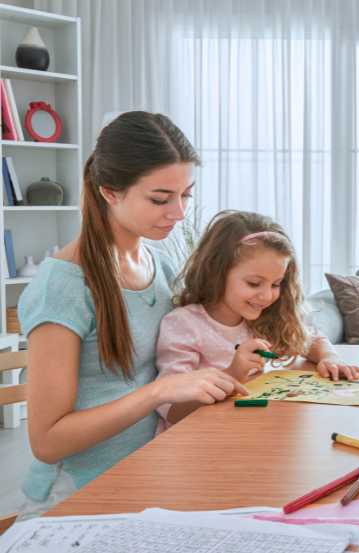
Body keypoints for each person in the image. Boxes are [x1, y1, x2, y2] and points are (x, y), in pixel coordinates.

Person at [16, 112, 249, 521]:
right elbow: (47, 442)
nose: (177, 213)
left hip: (152, 469)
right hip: (81, 493)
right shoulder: (64, 288)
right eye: (160, 199)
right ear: (110, 192)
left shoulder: (158, 260)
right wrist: (160, 392)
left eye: (186, 195)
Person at [154, 210, 359, 433]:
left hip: (245, 432)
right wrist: (231, 374)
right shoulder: (184, 325)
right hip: (195, 442)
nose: (267, 296)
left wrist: (329, 357)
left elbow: (309, 338)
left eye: (276, 284)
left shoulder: (262, 319)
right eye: (254, 283)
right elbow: (172, 410)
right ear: (214, 270)